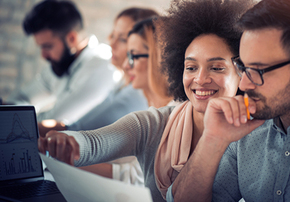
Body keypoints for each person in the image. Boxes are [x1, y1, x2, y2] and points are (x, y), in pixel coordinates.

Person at [37, 0, 252, 201]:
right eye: (191, 67)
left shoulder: (256, 134)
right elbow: (95, 143)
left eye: (216, 68)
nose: (200, 79)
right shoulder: (154, 123)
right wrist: (68, 142)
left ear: (242, 72)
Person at [168, 0, 290, 201]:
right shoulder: (246, 124)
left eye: (258, 71)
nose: (243, 85)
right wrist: (212, 139)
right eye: (243, 67)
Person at [6, 0, 116, 124]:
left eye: (47, 46)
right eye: (41, 47)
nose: (43, 55)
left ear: (72, 38)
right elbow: (24, 97)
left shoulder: (102, 63)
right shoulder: (60, 65)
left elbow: (57, 120)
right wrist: (7, 109)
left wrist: (10, 118)